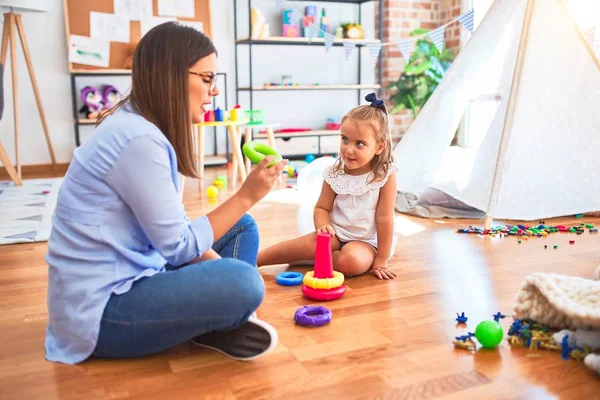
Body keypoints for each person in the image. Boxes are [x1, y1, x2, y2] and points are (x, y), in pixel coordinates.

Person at [44, 22, 286, 365]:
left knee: (242, 227)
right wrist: (247, 194)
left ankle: (217, 317)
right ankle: (220, 316)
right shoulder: (138, 140)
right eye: (207, 78)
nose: (214, 91)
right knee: (245, 281)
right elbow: (178, 246)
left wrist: (213, 279)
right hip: (104, 312)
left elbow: (170, 234)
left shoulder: (140, 127)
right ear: (172, 74)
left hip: (138, 270)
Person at [257, 93, 398, 280]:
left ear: (379, 147)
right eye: (345, 139)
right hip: (336, 233)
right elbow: (322, 208)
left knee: (351, 262)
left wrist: (381, 258)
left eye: (360, 144)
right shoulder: (334, 172)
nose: (348, 149)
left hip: (365, 241)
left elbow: (385, 219)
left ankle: (314, 258)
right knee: (297, 246)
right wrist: (323, 226)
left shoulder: (385, 175)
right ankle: (252, 259)